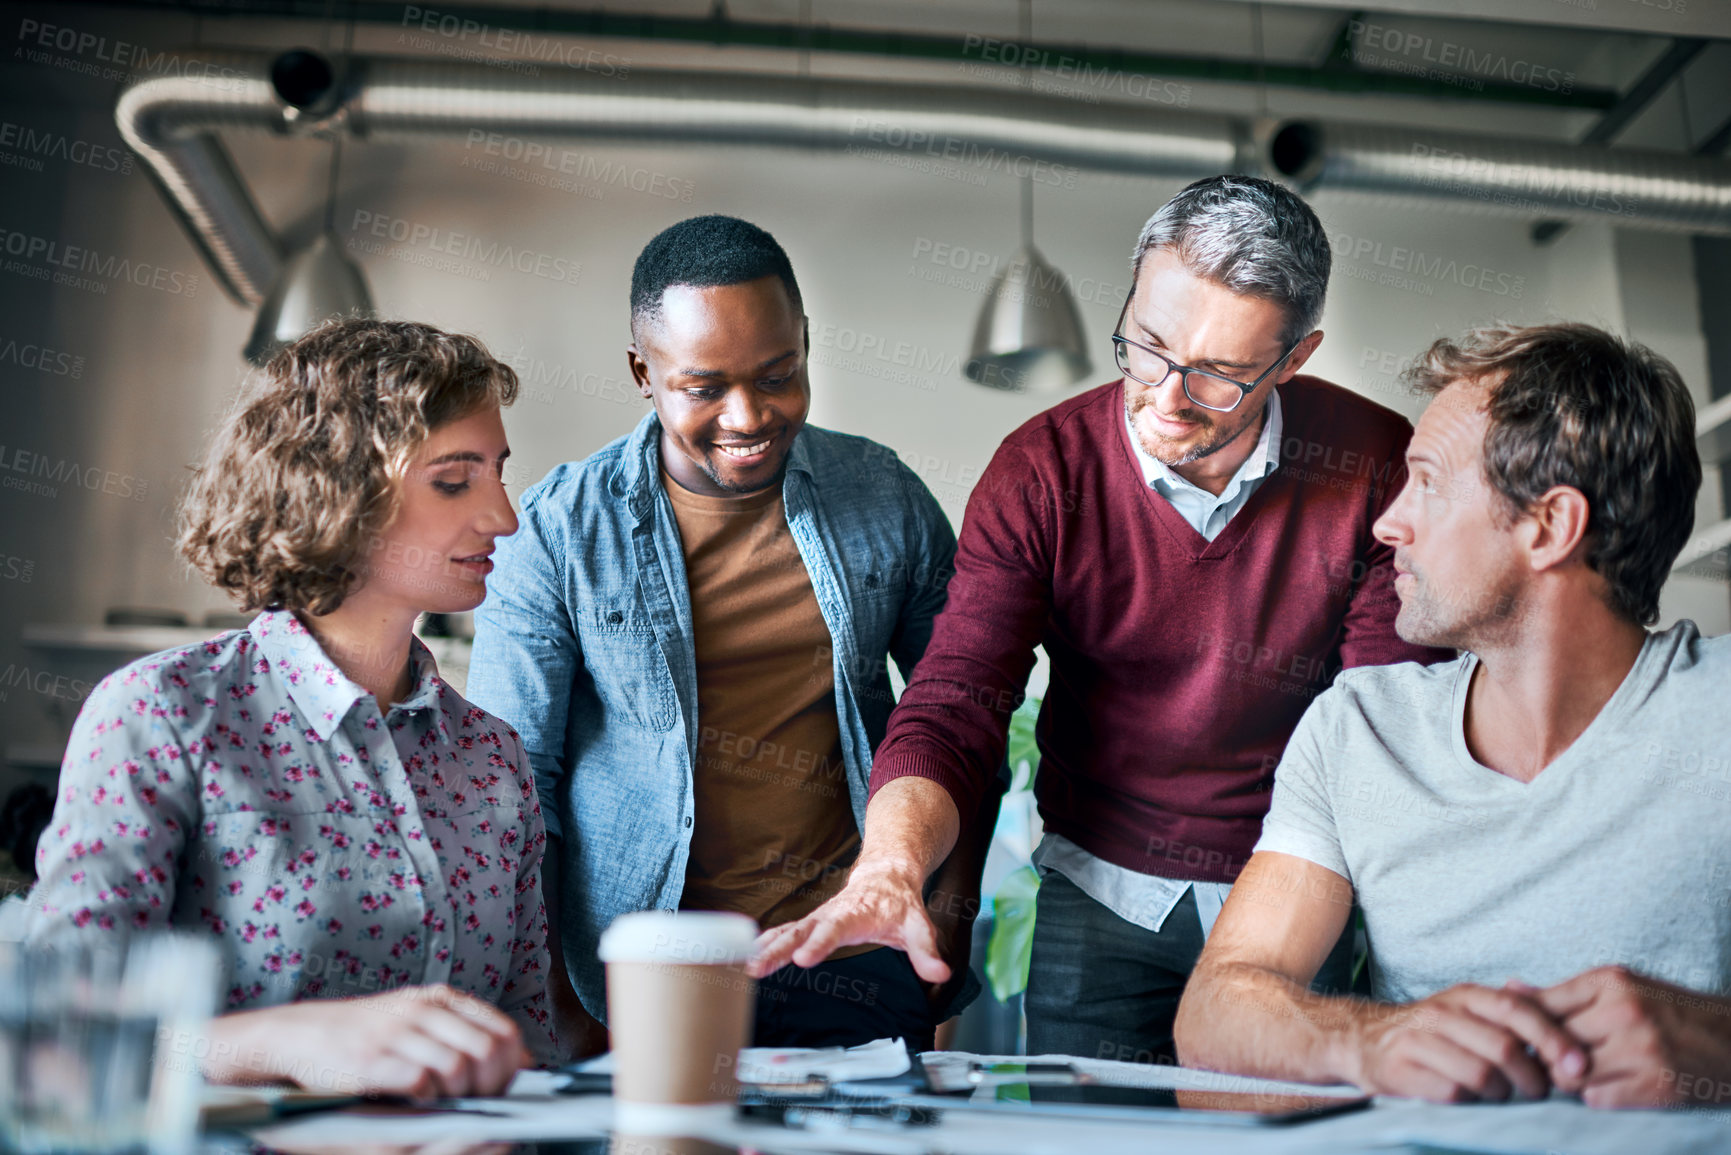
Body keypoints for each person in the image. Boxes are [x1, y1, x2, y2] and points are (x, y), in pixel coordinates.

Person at [752, 175, 1451, 1064]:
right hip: (1100, 888)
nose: (1165, 396)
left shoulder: (1373, 463)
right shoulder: (1042, 471)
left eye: (1221, 377)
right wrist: (892, 865)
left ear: (1295, 357)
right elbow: (958, 699)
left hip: (1297, 882)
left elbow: (1376, 719)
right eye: (1147, 345)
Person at [467, 215, 994, 1054]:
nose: (748, 415)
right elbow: (515, 788)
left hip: (851, 956)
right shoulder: (554, 532)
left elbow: (962, 721)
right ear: (643, 372)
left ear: (805, 344)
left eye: (778, 374)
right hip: (642, 976)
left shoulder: (884, 495)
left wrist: (942, 945)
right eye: (704, 386)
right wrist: (562, 1010)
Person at [1173, 322, 1730, 1110]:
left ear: (1549, 525)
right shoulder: (1356, 730)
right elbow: (1215, 1010)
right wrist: (1369, 1040)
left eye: (1427, 482)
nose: (1386, 523)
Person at [28, 319, 553, 1096]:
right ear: (341, 488)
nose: (504, 517)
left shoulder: (492, 758)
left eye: (498, 474)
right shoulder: (163, 715)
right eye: (454, 480)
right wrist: (283, 1041)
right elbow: (54, 1038)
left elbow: (527, 1045)